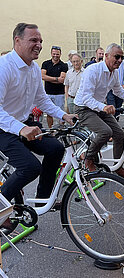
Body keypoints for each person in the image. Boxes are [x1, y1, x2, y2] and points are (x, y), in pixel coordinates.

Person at [0, 23, 75, 228]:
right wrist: (21, 129)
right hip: (3, 127)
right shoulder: (4, 66)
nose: (39, 45)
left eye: (40, 41)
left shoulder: (33, 69)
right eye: (34, 40)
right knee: (31, 167)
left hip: (23, 123)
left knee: (55, 148)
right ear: (17, 41)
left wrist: (64, 115)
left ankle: (43, 199)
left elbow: (41, 100)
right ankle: (1, 208)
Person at [74, 43, 124, 179]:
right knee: (105, 132)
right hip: (84, 108)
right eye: (116, 56)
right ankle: (88, 159)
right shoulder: (93, 70)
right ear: (106, 56)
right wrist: (103, 107)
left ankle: (117, 167)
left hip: (99, 107)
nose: (119, 60)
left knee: (120, 134)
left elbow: (118, 91)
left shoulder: (114, 73)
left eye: (122, 57)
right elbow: (86, 98)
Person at [41, 46, 68, 127]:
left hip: (60, 94)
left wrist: (48, 78)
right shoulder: (45, 64)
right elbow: (42, 76)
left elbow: (62, 80)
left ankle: (62, 129)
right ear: (51, 54)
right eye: (54, 54)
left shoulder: (64, 65)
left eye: (57, 54)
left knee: (61, 114)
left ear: (60, 54)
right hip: (48, 93)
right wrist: (56, 79)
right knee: (49, 113)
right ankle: (50, 130)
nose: (55, 56)